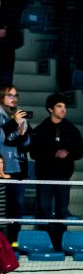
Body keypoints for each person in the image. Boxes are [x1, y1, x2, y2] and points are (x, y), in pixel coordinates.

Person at [30, 93, 83, 250]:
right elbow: (34, 153)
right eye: (59, 106)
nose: (63, 110)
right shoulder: (40, 130)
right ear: (50, 109)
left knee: (61, 211)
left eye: (64, 107)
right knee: (44, 209)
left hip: (63, 177)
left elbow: (79, 152)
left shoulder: (72, 130)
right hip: (45, 177)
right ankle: (45, 244)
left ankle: (59, 245)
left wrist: (68, 153)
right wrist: (52, 154)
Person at [0, 86, 32, 245]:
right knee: (1, 210)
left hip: (18, 168)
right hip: (2, 169)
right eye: (9, 95)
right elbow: (1, 138)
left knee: (17, 209)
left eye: (15, 95)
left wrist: (22, 131)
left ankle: (13, 243)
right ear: (1, 97)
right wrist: (13, 122)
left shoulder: (19, 116)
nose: (14, 98)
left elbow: (27, 144)